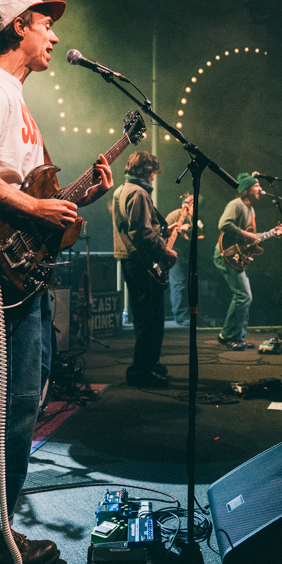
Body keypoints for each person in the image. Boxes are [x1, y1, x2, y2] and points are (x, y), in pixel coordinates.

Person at [0, 0, 112, 564]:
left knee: (12, 394)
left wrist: (75, 197)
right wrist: (36, 210)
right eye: (45, 26)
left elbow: (25, 191)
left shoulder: (16, 98)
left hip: (21, 265)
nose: (55, 37)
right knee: (15, 400)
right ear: (16, 29)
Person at [112, 151, 176, 388]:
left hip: (130, 259)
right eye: (153, 173)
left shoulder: (121, 190)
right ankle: (142, 370)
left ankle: (149, 364)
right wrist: (165, 250)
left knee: (144, 317)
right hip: (142, 261)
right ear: (148, 171)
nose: (154, 178)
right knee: (150, 318)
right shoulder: (138, 193)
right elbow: (142, 233)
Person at [213, 172, 281, 349]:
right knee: (243, 295)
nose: (261, 189)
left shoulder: (251, 210)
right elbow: (224, 224)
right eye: (257, 186)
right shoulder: (236, 204)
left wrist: (273, 232)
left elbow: (251, 237)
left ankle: (235, 337)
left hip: (236, 256)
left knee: (243, 296)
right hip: (226, 254)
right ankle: (230, 336)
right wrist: (246, 234)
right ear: (247, 189)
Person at [165, 194, 199, 326]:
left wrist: (188, 229)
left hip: (185, 253)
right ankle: (180, 316)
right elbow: (163, 232)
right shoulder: (176, 215)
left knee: (184, 283)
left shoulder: (192, 218)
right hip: (173, 251)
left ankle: (187, 314)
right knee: (178, 283)